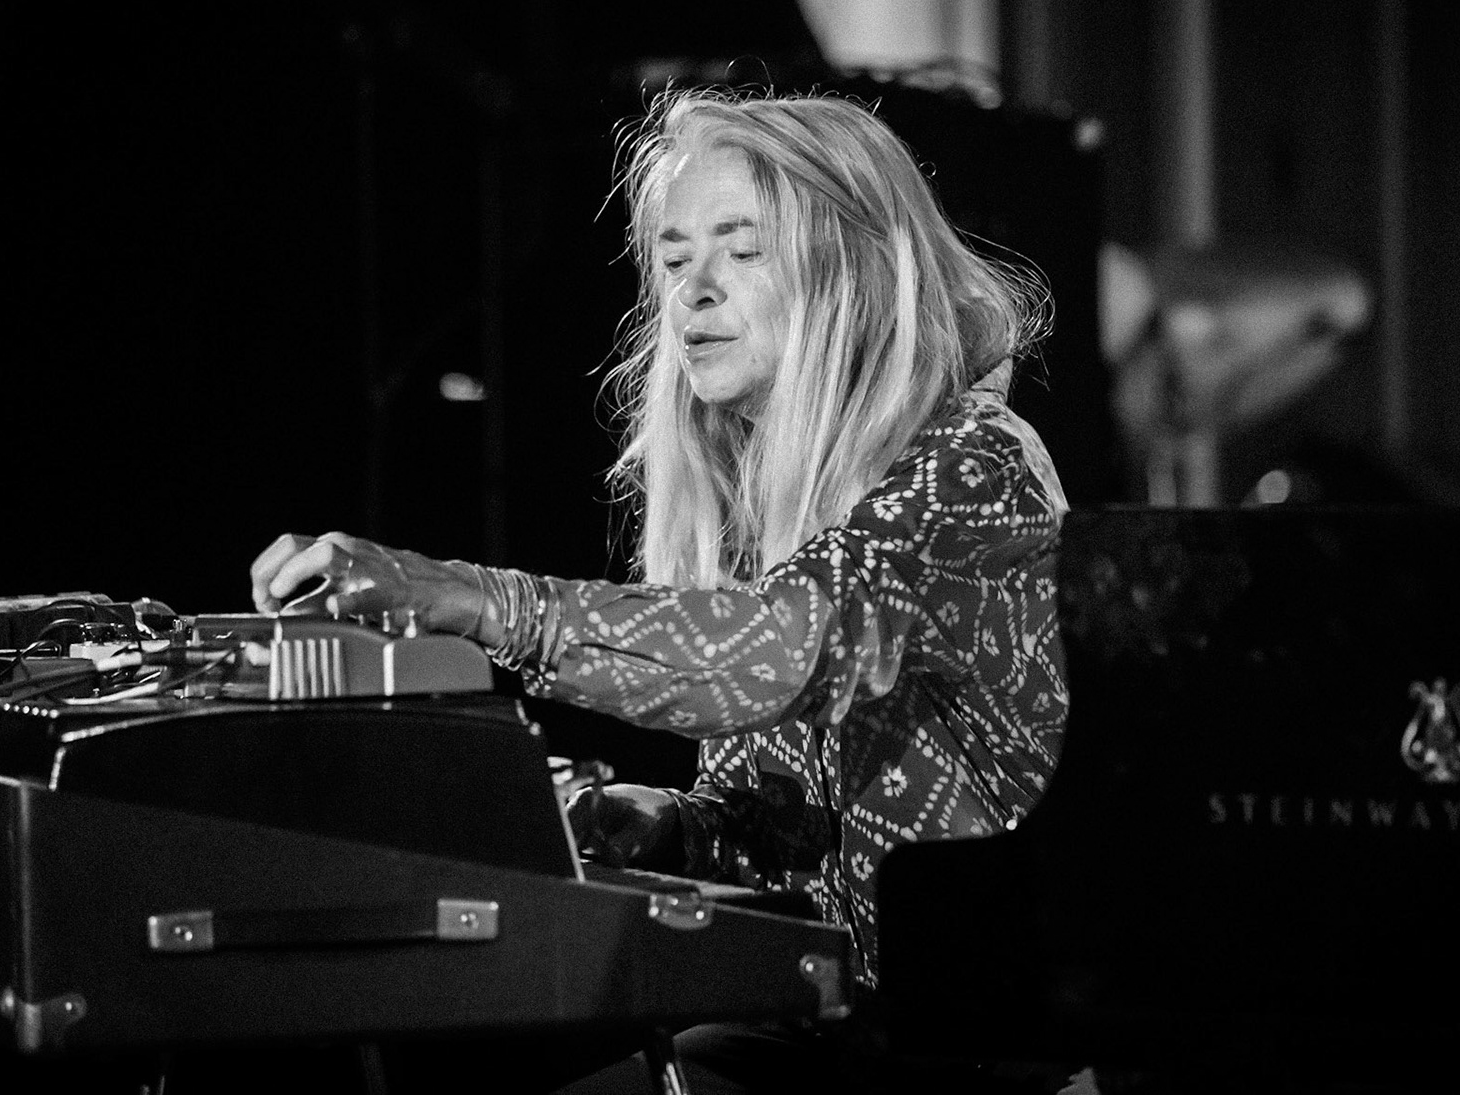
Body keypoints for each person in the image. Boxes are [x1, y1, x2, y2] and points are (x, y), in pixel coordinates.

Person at [249, 90, 1070, 1092]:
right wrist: (670, 823)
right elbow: (782, 834)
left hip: (977, 1055)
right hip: (827, 1027)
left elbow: (779, 651)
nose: (695, 291)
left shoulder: (971, 467)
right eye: (675, 261)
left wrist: (453, 596)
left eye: (742, 249)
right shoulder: (775, 503)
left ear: (851, 268)